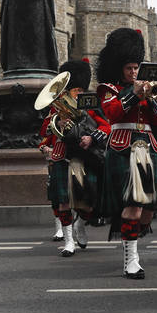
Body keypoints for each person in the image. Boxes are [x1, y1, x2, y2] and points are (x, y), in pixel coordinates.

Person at [96, 28, 157, 279]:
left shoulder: (150, 89)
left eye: (136, 68)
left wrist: (150, 100)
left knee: (148, 210)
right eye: (129, 68)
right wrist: (133, 93)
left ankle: (131, 241)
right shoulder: (108, 88)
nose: (134, 72)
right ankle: (131, 258)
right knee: (133, 206)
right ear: (119, 68)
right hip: (123, 148)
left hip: (149, 148)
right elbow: (113, 113)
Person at [39, 59, 107, 256]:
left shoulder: (91, 102)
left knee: (89, 201)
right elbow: (44, 130)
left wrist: (91, 137)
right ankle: (69, 242)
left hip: (86, 155)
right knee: (63, 201)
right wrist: (57, 123)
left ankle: (81, 224)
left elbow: (105, 126)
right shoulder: (57, 105)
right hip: (63, 154)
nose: (75, 91)